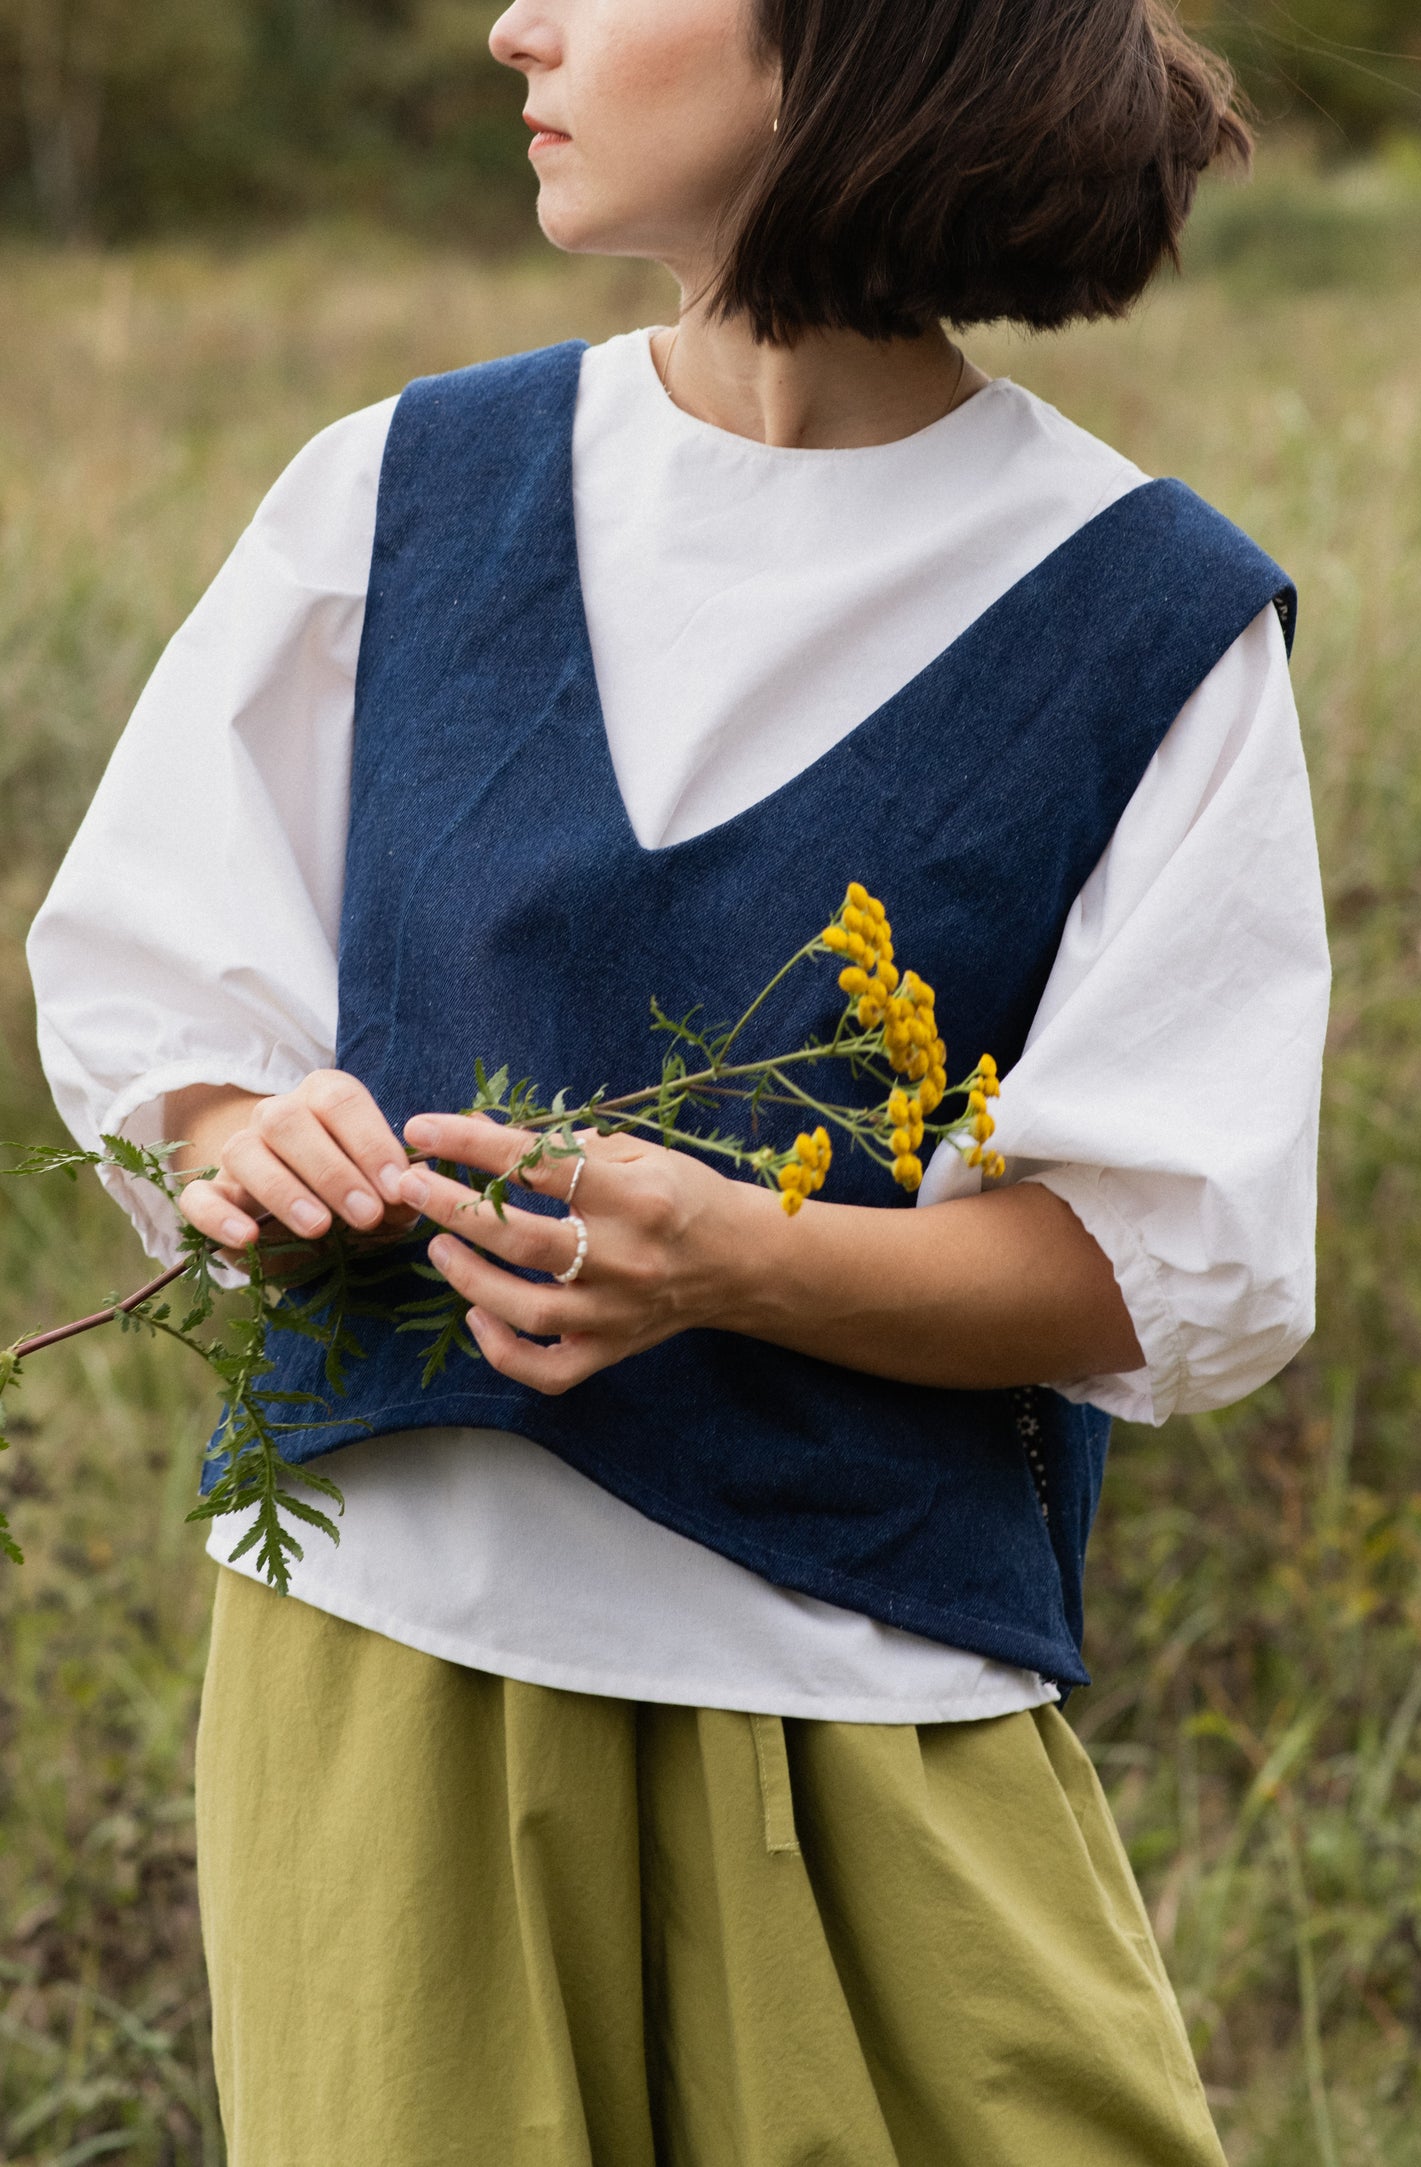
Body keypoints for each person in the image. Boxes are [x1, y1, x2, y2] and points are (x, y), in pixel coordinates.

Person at [27, 0, 1330, 2158]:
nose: (512, 24)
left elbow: (1161, 1268)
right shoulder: (394, 491)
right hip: (386, 1675)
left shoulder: (1150, 617)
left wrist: (742, 1261)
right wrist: (249, 1136)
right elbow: (170, 1005)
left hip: (863, 1700)